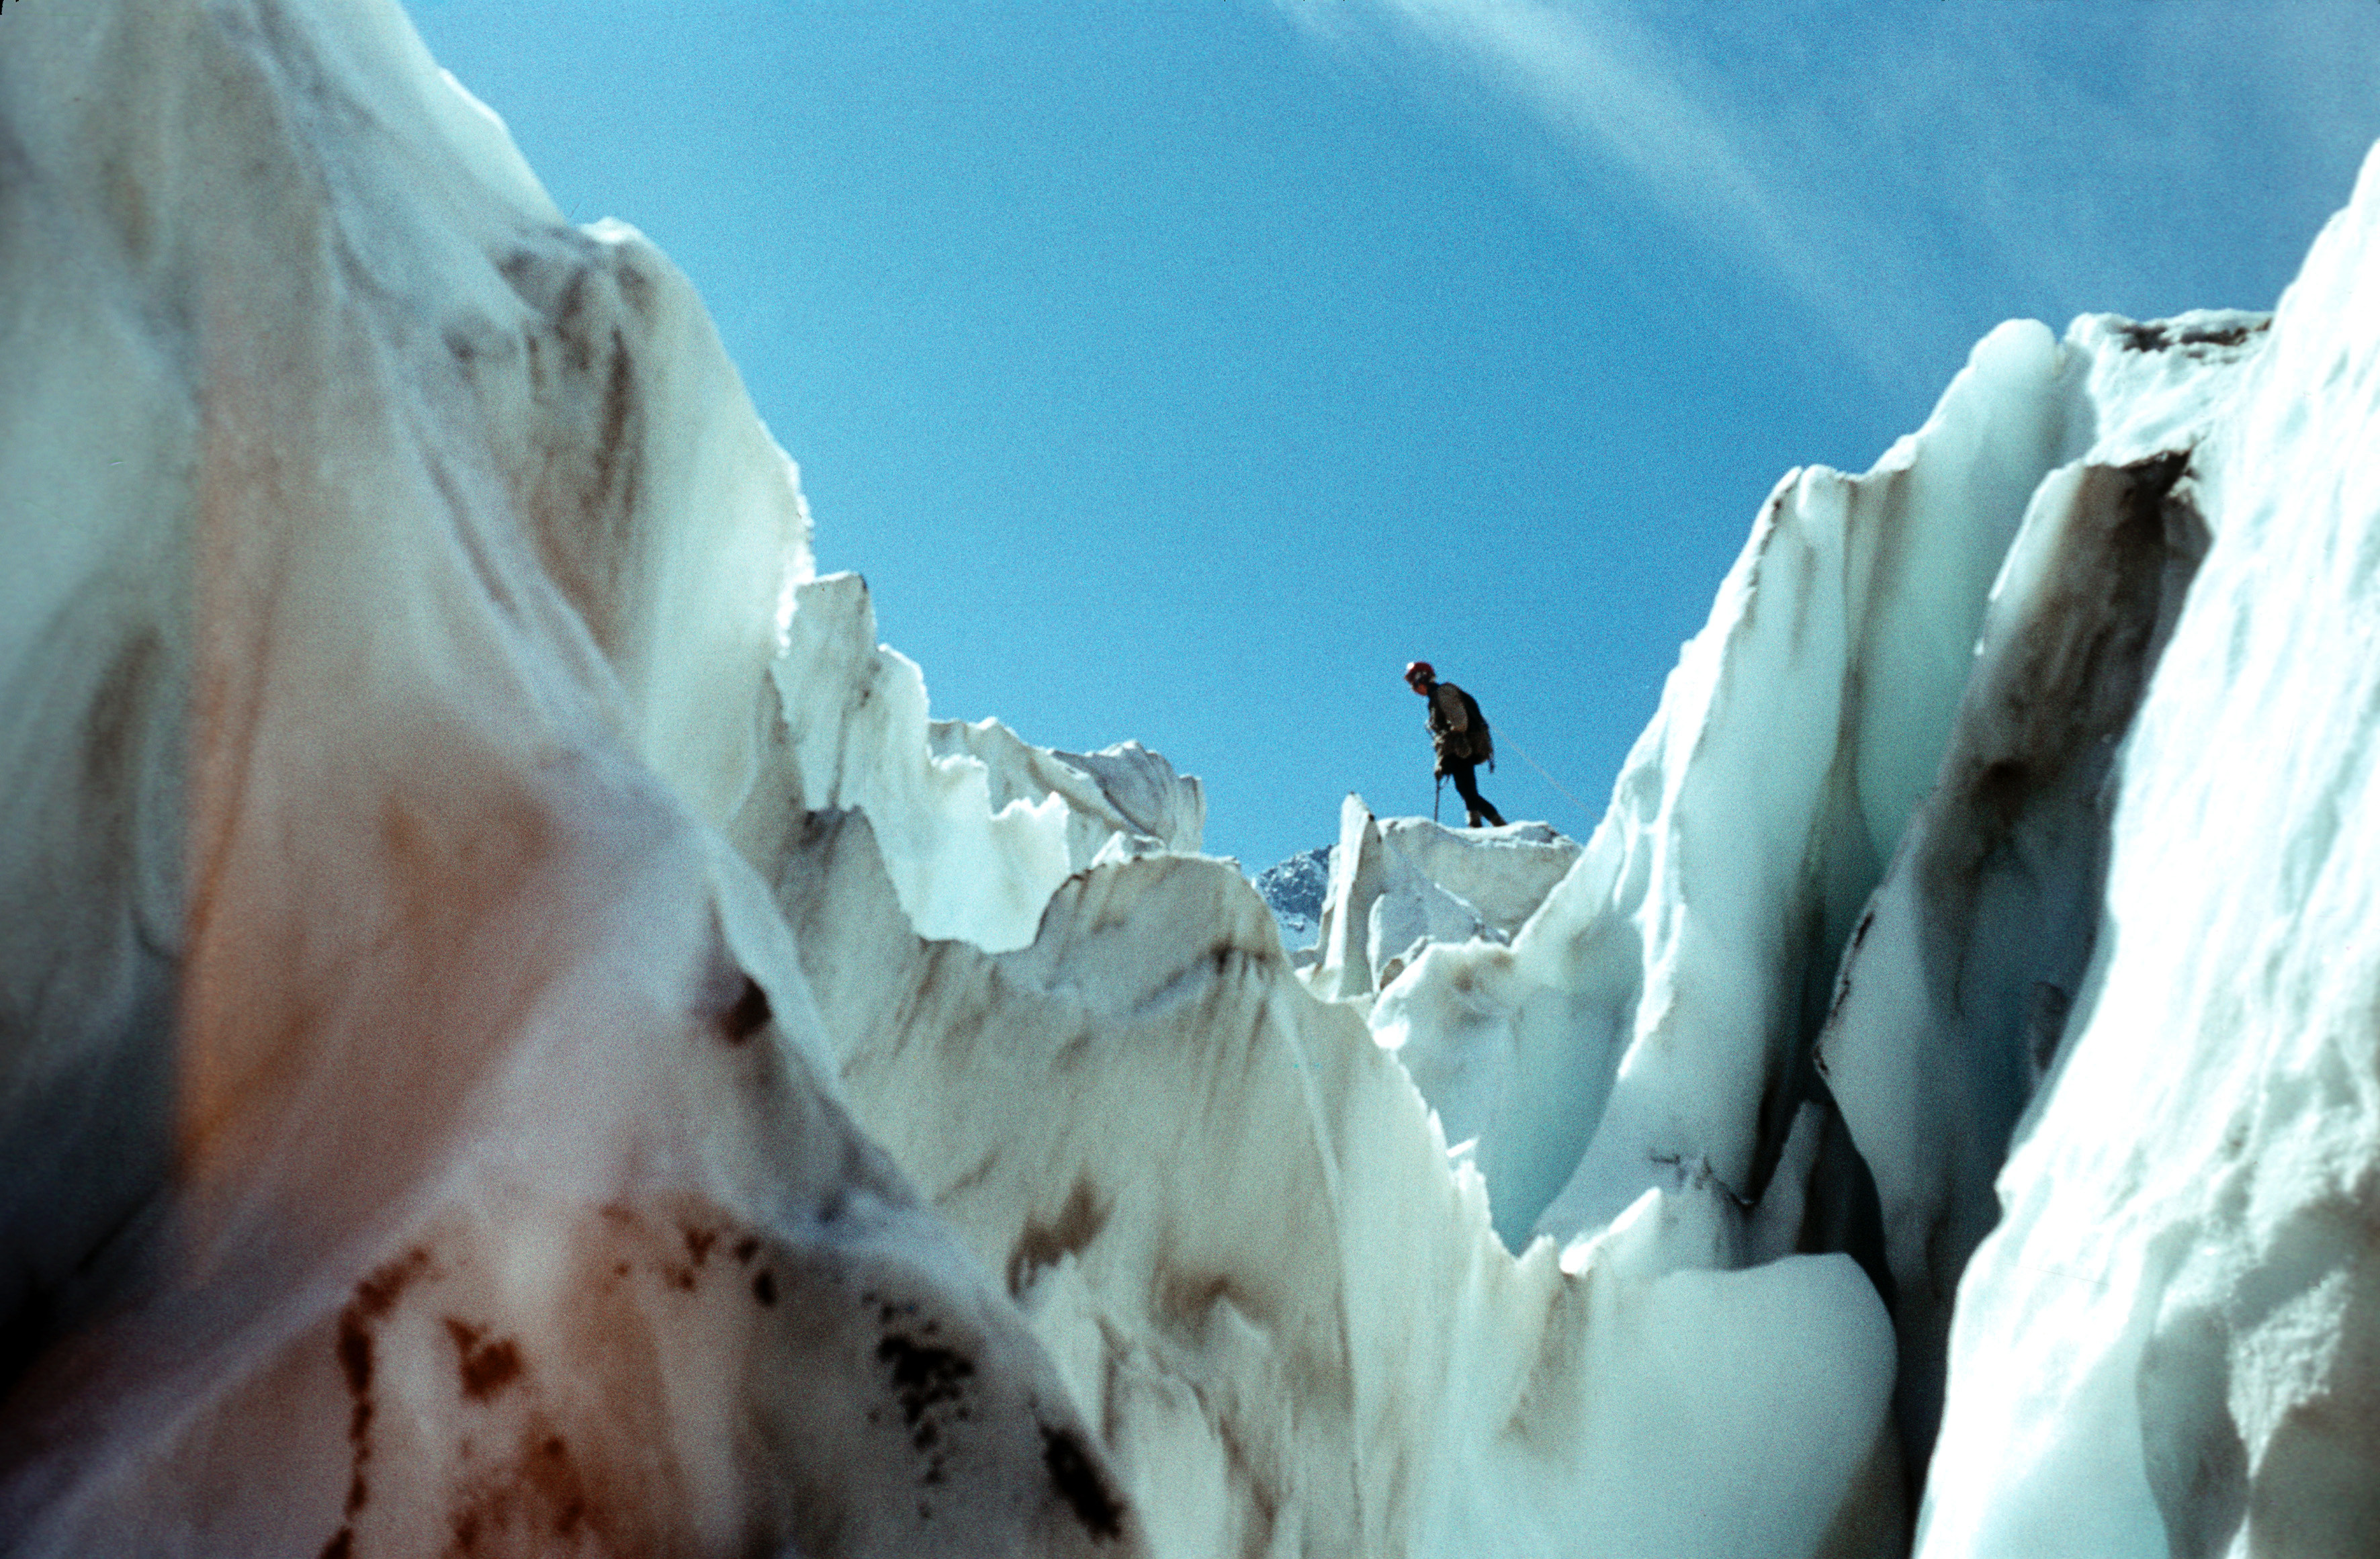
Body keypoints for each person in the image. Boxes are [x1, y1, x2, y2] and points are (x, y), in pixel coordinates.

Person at [1405, 660, 1505, 828]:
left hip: (1462, 745)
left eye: (1412, 682)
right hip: (1457, 746)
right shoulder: (1436, 698)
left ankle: (1476, 822)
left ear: (1421, 678)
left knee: (1467, 785)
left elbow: (1460, 723)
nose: (1413, 689)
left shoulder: (1443, 692)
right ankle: (1496, 821)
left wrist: (1448, 742)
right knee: (1464, 788)